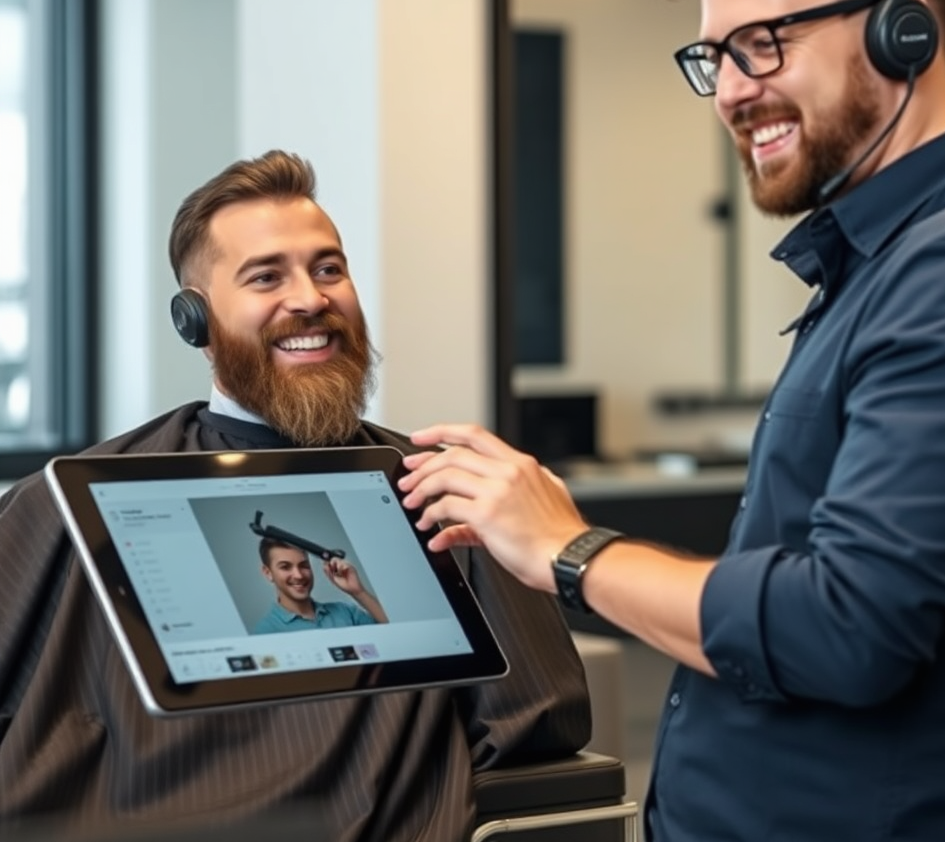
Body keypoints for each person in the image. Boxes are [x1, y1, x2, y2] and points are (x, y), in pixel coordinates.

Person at [398, 0, 945, 842]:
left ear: (904, 30)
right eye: (715, 56)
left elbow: (847, 629)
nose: (730, 90)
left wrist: (568, 551)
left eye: (763, 43)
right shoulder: (882, 264)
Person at [0, 150, 590, 841]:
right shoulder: (63, 502)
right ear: (194, 320)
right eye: (266, 276)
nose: (310, 298)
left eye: (329, 269)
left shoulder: (451, 495)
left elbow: (542, 721)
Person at [252, 538, 388, 632]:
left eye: (304, 565)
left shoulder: (346, 612)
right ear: (268, 573)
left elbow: (395, 631)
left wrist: (358, 592)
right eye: (285, 567)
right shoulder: (266, 630)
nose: (299, 575)